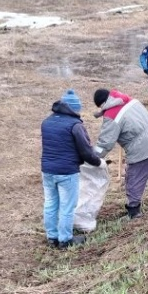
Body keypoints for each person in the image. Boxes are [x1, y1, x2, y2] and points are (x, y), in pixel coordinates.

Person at [41, 89, 103, 249]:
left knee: (50, 203)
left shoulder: (47, 122)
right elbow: (85, 150)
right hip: (66, 172)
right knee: (67, 206)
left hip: (47, 170)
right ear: (74, 108)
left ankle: (52, 237)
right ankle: (65, 240)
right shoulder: (75, 125)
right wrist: (98, 162)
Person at [92, 88, 148, 219]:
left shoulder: (112, 115)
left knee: (134, 177)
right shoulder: (130, 100)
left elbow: (105, 143)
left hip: (140, 146)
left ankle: (133, 210)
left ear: (102, 104)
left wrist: (92, 159)